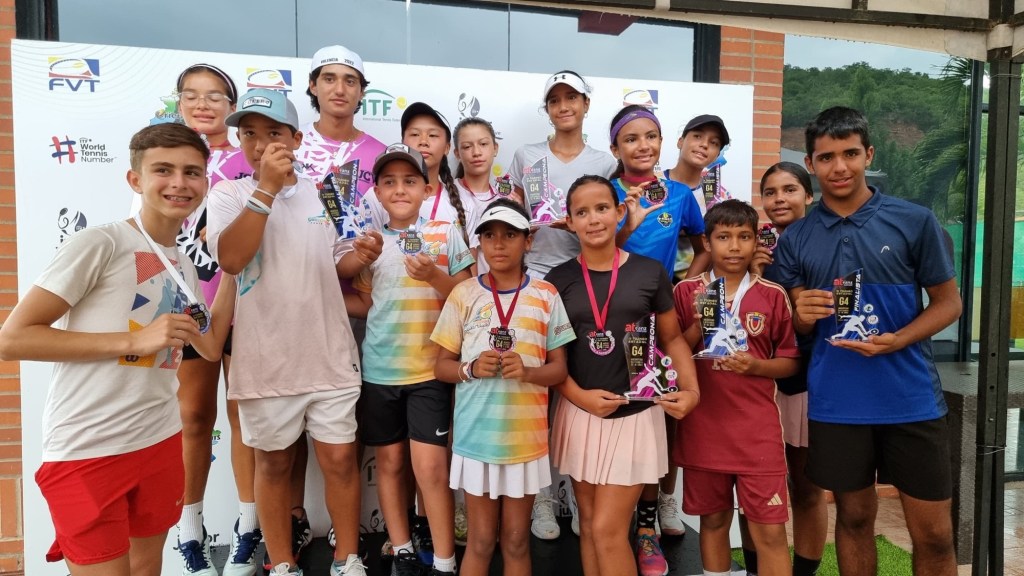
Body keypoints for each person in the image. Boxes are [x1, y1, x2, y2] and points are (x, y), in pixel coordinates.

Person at [0, 123, 235, 576]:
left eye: (192, 172)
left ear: (205, 182)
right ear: (135, 180)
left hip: (159, 440)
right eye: (162, 170)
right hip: (89, 448)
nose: (179, 183)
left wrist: (233, 272)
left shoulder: (182, 262)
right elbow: (13, 338)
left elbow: (207, 347)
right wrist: (133, 340)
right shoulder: (102, 243)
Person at [766, 106, 961, 576]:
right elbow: (791, 327)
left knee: (934, 534)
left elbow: (948, 303)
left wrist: (899, 340)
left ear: (868, 154)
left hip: (911, 400)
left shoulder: (914, 221)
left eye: (850, 153)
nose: (840, 167)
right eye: (827, 157)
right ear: (811, 164)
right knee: (853, 519)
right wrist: (803, 316)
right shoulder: (796, 238)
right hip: (836, 404)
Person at [206, 88, 380, 576]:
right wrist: (264, 188)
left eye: (274, 133)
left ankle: (349, 559)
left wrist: (361, 256)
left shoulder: (324, 192)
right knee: (274, 467)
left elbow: (336, 263)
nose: (261, 144)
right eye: (250, 134)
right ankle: (281, 563)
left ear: (297, 139)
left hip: (329, 353)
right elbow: (232, 260)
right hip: (265, 359)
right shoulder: (228, 194)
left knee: (342, 463)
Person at [546, 175, 699, 576]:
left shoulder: (650, 272)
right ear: (569, 221)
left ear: (618, 213)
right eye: (582, 212)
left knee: (608, 530)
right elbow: (552, 361)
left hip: (635, 414)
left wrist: (692, 389)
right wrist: (580, 398)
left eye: (601, 208)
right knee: (592, 529)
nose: (593, 219)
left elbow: (672, 339)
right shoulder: (556, 281)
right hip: (580, 413)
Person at [347, 143, 474, 576]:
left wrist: (432, 275)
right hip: (380, 370)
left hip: (430, 371)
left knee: (431, 468)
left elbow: (467, 293)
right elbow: (367, 302)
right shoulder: (371, 243)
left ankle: (443, 559)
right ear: (377, 193)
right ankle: (401, 548)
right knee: (390, 463)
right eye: (389, 182)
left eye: (409, 181)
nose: (399, 189)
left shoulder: (445, 232)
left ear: (426, 188)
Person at [432, 199, 574, 576]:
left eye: (510, 234)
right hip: (475, 439)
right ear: (477, 245)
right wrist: (471, 368)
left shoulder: (546, 295)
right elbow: (441, 367)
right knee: (479, 542)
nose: (499, 244)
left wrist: (528, 372)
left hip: (524, 443)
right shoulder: (463, 294)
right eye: (490, 235)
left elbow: (559, 370)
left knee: (515, 541)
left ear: (528, 242)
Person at [507, 69, 617, 539]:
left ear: (586, 104)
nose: (564, 105)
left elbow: (614, 220)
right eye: (555, 99)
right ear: (547, 109)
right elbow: (513, 208)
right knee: (540, 392)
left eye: (572, 96)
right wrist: (520, 227)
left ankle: (576, 484)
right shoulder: (526, 156)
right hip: (534, 277)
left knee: (582, 378)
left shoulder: (604, 162)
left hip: (587, 279)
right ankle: (544, 498)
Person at [606, 104, 709, 572]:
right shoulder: (605, 193)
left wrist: (684, 283)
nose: (642, 146)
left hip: (656, 322)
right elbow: (600, 246)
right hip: (609, 320)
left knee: (657, 420)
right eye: (631, 139)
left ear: (662, 142)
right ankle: (609, 522)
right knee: (616, 413)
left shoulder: (681, 193)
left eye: (650, 136)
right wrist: (628, 217)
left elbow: (703, 247)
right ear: (616, 149)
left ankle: (648, 525)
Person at [673, 199, 800, 576]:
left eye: (744, 237)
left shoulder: (773, 295)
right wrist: (698, 323)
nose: (734, 246)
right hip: (703, 429)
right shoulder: (685, 292)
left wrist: (755, 366)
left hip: (756, 434)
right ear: (708, 243)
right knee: (712, 524)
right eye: (724, 236)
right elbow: (673, 353)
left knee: (770, 533)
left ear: (755, 242)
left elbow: (791, 362)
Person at [170, 62, 263, 576]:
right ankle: (190, 530)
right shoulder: (166, 159)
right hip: (185, 307)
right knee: (193, 418)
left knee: (244, 417)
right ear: (179, 102)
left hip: (245, 305)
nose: (203, 104)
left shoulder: (247, 162)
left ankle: (249, 529)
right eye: (192, 95)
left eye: (215, 96)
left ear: (231, 107)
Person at [738, 162, 825, 576]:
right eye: (770, 192)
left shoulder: (827, 242)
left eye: (789, 189)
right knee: (748, 484)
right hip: (755, 384)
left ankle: (804, 571)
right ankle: (755, 567)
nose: (779, 199)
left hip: (806, 378)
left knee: (806, 487)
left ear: (808, 195)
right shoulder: (753, 247)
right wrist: (749, 271)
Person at [453, 116, 503, 272]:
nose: (476, 152)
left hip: (500, 290)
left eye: (483, 144)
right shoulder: (447, 194)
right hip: (457, 289)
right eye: (467, 147)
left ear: (495, 148)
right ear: (457, 153)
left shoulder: (506, 199)